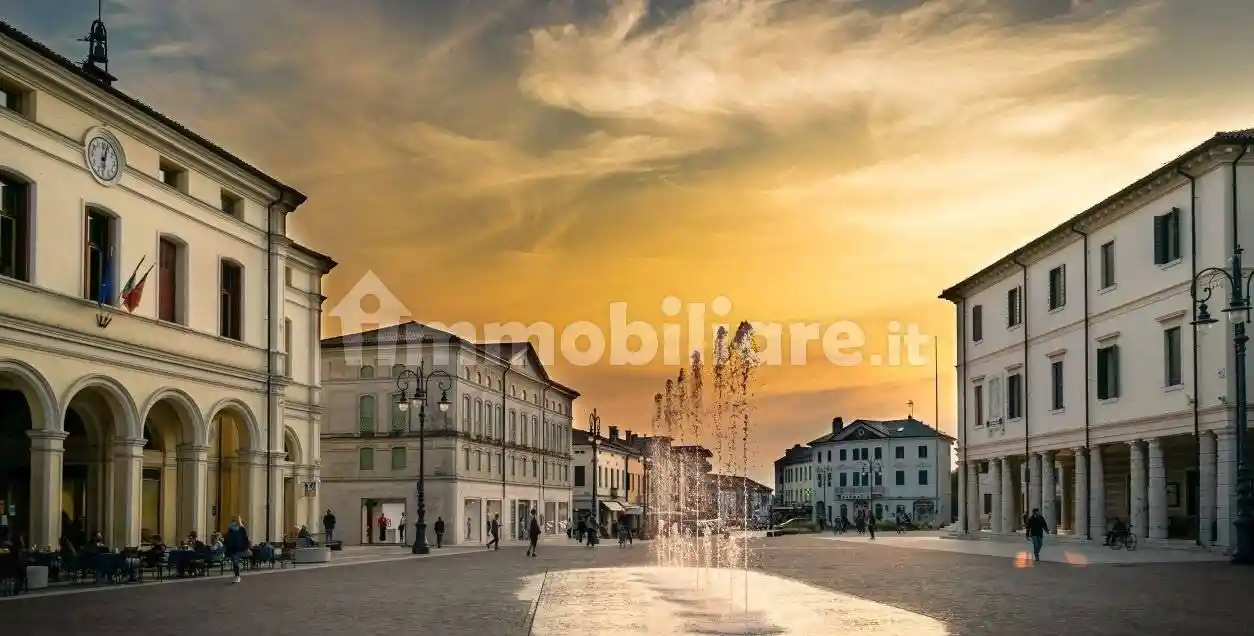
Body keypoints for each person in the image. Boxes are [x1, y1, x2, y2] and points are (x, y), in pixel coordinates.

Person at [224, 515, 251, 584]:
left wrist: (239, 519)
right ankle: (237, 575)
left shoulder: (240, 529)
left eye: (234, 521)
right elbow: (228, 539)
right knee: (235, 562)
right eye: (232, 521)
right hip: (233, 548)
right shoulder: (231, 530)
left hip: (238, 548)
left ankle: (237, 576)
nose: (232, 522)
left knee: (235, 562)